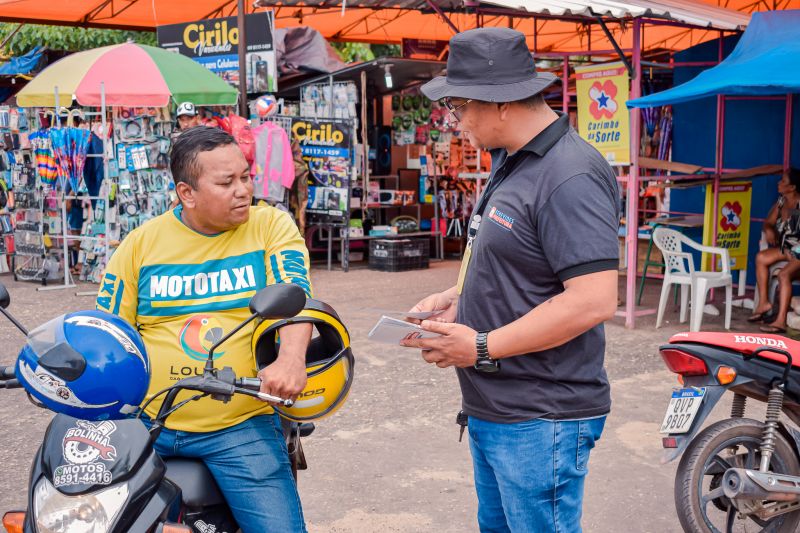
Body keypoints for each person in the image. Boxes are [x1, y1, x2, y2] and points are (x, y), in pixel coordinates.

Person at [403, 27, 619, 532]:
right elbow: (517, 260)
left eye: (459, 106)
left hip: (541, 416)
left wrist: (480, 345)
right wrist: (457, 298)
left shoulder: (570, 175)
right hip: (497, 408)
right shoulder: (510, 162)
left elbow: (592, 301)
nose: (454, 121)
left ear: (500, 103)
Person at [96, 126, 312, 533]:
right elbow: (108, 333)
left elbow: (295, 300)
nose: (243, 190)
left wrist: (290, 359)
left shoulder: (270, 226)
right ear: (187, 193)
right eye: (227, 182)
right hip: (146, 423)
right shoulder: (140, 244)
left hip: (239, 424)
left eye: (246, 177)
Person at [749, 168, 800, 333]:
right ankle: (764, 302)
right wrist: (769, 229)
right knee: (761, 258)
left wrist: (795, 252)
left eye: (783, 181)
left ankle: (780, 321)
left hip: (798, 252)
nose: (779, 183)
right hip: (786, 249)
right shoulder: (781, 201)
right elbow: (768, 222)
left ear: (792, 187)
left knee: (784, 275)